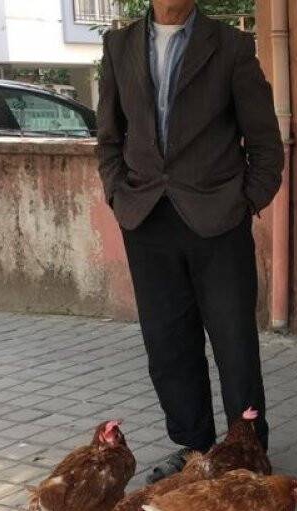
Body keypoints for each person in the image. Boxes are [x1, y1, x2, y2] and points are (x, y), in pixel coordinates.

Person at [95, 0, 284, 483]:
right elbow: (109, 137)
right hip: (147, 219)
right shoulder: (118, 47)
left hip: (218, 219)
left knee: (234, 343)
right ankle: (194, 446)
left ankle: (246, 452)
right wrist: (118, 194)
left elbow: (264, 141)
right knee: (168, 345)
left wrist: (246, 202)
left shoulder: (231, 47)